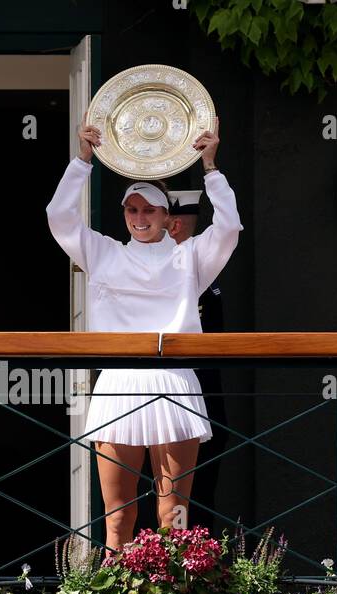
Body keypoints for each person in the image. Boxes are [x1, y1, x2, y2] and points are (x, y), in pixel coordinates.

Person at [47, 113, 241, 553]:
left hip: (174, 381)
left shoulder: (190, 257)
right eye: (132, 209)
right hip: (118, 383)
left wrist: (212, 168)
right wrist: (83, 159)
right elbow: (58, 216)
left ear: (167, 216)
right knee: (118, 518)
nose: (139, 217)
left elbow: (228, 229)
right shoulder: (103, 252)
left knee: (175, 516)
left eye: (149, 209)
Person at [168, 189, 229, 528]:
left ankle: (196, 562)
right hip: (162, 389)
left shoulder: (202, 270)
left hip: (202, 390)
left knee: (200, 487)